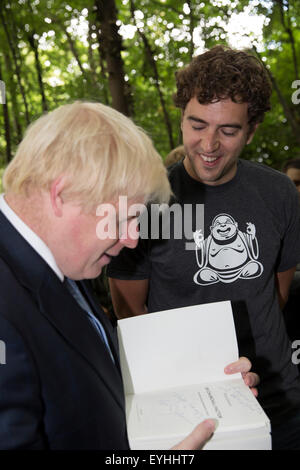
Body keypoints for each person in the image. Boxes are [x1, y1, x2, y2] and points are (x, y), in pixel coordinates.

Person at [0, 101, 257, 450]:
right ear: (61, 195)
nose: (132, 237)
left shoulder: (60, 260)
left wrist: (205, 381)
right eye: (122, 219)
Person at [108, 46, 300, 450]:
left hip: (280, 404)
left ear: (251, 130)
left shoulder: (279, 192)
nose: (209, 144)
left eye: (228, 131)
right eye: (197, 125)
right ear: (181, 118)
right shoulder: (148, 201)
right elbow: (129, 311)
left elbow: (277, 292)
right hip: (186, 414)